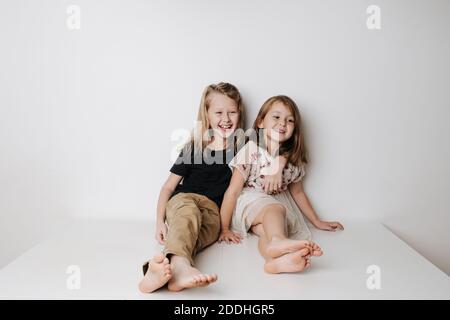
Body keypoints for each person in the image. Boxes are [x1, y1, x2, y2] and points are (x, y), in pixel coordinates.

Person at [219, 95, 344, 274]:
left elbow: (298, 193)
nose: (283, 123)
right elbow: (232, 191)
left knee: (267, 232)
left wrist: (316, 221)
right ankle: (278, 241)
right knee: (274, 209)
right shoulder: (252, 150)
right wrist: (223, 228)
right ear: (261, 122)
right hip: (249, 203)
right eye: (276, 117)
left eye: (290, 120)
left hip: (275, 210)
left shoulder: (293, 160)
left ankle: (274, 261)